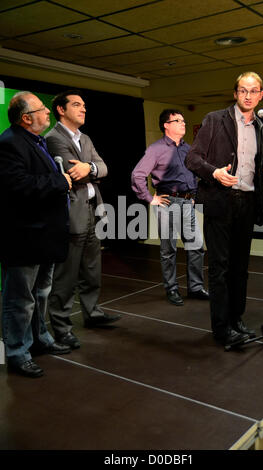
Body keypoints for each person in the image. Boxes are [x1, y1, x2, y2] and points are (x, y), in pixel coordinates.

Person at [185, 71, 263, 348]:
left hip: (247, 202)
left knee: (240, 269)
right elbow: (193, 158)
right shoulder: (215, 119)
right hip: (221, 201)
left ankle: (237, 320)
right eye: (242, 90)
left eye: (253, 91)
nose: (248, 96)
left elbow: (262, 159)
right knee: (220, 268)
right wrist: (214, 173)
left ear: (261, 95)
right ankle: (222, 329)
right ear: (235, 93)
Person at [0, 91, 72, 378]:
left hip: (44, 236)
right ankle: (18, 352)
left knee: (40, 294)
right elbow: (19, 186)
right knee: (20, 299)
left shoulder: (34, 141)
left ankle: (40, 340)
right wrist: (61, 180)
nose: (48, 114)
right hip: (24, 238)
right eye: (42, 110)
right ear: (26, 118)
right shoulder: (8, 144)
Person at [45, 90, 121, 350]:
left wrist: (90, 167)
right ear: (61, 110)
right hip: (71, 213)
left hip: (92, 208)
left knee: (91, 269)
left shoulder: (85, 138)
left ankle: (93, 313)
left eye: (84, 105)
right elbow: (72, 172)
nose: (83, 109)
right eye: (77, 105)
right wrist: (90, 169)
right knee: (66, 275)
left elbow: (103, 167)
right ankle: (62, 326)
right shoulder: (53, 138)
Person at [131, 109, 208, 306]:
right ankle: (172, 289)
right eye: (178, 121)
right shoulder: (156, 149)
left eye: (183, 120)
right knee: (169, 250)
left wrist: (194, 197)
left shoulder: (188, 148)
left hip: (187, 203)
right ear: (166, 125)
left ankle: (196, 287)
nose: (183, 123)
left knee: (196, 246)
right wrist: (149, 198)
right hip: (167, 203)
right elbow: (137, 175)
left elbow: (194, 175)